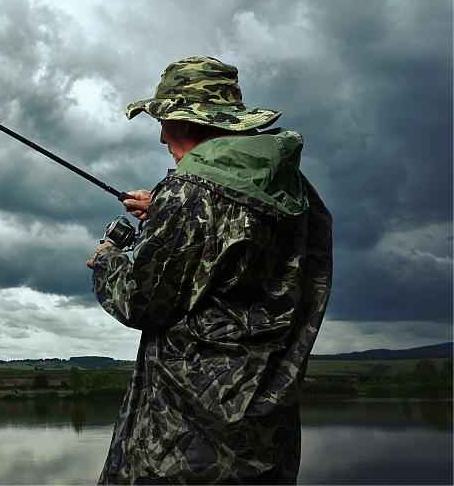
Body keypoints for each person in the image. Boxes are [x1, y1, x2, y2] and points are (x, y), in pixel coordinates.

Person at [86, 56, 332, 484]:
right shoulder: (296, 189)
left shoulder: (190, 196)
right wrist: (168, 213)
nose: (162, 136)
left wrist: (108, 257)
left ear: (186, 121)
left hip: (183, 450)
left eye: (165, 121)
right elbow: (234, 243)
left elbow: (139, 300)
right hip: (263, 439)